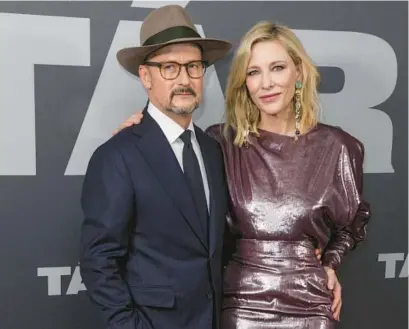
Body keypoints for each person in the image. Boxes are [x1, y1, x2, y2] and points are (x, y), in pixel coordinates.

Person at [115, 20, 369, 329]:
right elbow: (172, 186)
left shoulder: (339, 147)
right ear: (244, 83)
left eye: (277, 68)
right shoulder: (220, 143)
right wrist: (142, 138)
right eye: (254, 72)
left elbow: (352, 222)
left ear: (299, 72)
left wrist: (329, 263)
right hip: (239, 304)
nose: (267, 83)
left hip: (310, 304)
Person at [79, 5, 232, 329]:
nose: (185, 79)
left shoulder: (212, 150)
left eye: (193, 66)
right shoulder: (117, 156)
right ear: (145, 76)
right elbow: (99, 262)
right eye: (169, 68)